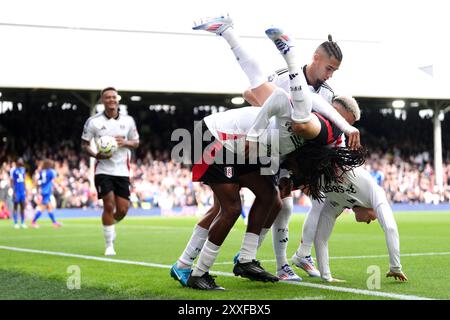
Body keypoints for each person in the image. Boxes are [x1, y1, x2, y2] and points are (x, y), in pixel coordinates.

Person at [171, 17, 363, 290]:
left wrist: (342, 130)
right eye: (329, 68)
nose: (331, 74)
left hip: (258, 146)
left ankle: (243, 259)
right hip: (217, 138)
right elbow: (255, 92)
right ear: (317, 58)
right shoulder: (295, 99)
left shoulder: (322, 109)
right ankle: (195, 271)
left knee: (271, 199)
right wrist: (260, 124)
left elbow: (320, 109)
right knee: (229, 208)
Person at [291, 166, 408, 282]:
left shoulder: (336, 203)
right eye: (373, 218)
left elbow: (320, 239)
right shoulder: (375, 193)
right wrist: (395, 267)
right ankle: (290, 261)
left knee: (283, 198)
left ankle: (301, 255)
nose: (369, 222)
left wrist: (327, 277)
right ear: (373, 207)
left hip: (302, 169)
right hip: (318, 158)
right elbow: (390, 228)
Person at [81, 87, 140, 256]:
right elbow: (84, 144)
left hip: (122, 170)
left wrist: (125, 142)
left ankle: (110, 225)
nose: (111, 100)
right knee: (108, 204)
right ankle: (109, 245)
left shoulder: (128, 121)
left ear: (118, 99)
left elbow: (136, 142)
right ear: (102, 100)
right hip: (103, 169)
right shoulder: (93, 122)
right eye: (107, 97)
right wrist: (96, 154)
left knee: (122, 210)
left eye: (114, 97)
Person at [31, 159, 62, 228]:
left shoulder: (41, 172)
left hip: (43, 190)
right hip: (47, 191)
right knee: (43, 208)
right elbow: (56, 179)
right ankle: (33, 222)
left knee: (49, 207)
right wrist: (61, 181)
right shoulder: (51, 171)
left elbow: (37, 181)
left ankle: (54, 222)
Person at [9, 158, 27, 229]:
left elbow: (24, 180)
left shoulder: (23, 169)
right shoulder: (13, 170)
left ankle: (22, 222)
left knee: (23, 207)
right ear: (17, 162)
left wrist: (25, 190)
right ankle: (15, 222)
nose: (21, 162)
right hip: (16, 191)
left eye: (22, 161)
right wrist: (13, 190)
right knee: (15, 206)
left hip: (22, 191)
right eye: (20, 161)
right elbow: (12, 181)